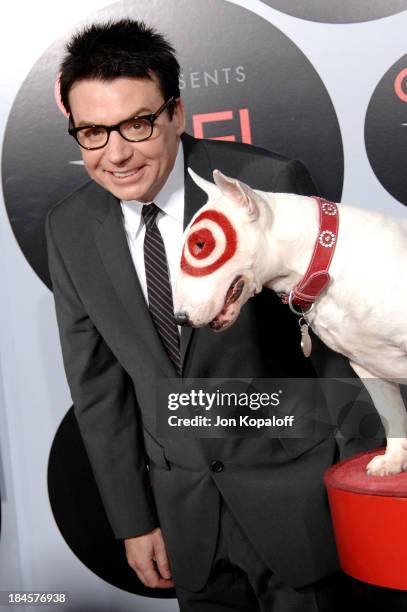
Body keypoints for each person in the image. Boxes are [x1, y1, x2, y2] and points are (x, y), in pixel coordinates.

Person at [46, 18, 380, 611]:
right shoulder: (69, 227)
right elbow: (98, 388)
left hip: (301, 502)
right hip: (185, 520)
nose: (116, 153)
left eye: (138, 123)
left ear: (176, 112)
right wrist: (132, 521)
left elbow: (339, 351)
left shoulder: (268, 183)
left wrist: (365, 488)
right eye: (92, 132)